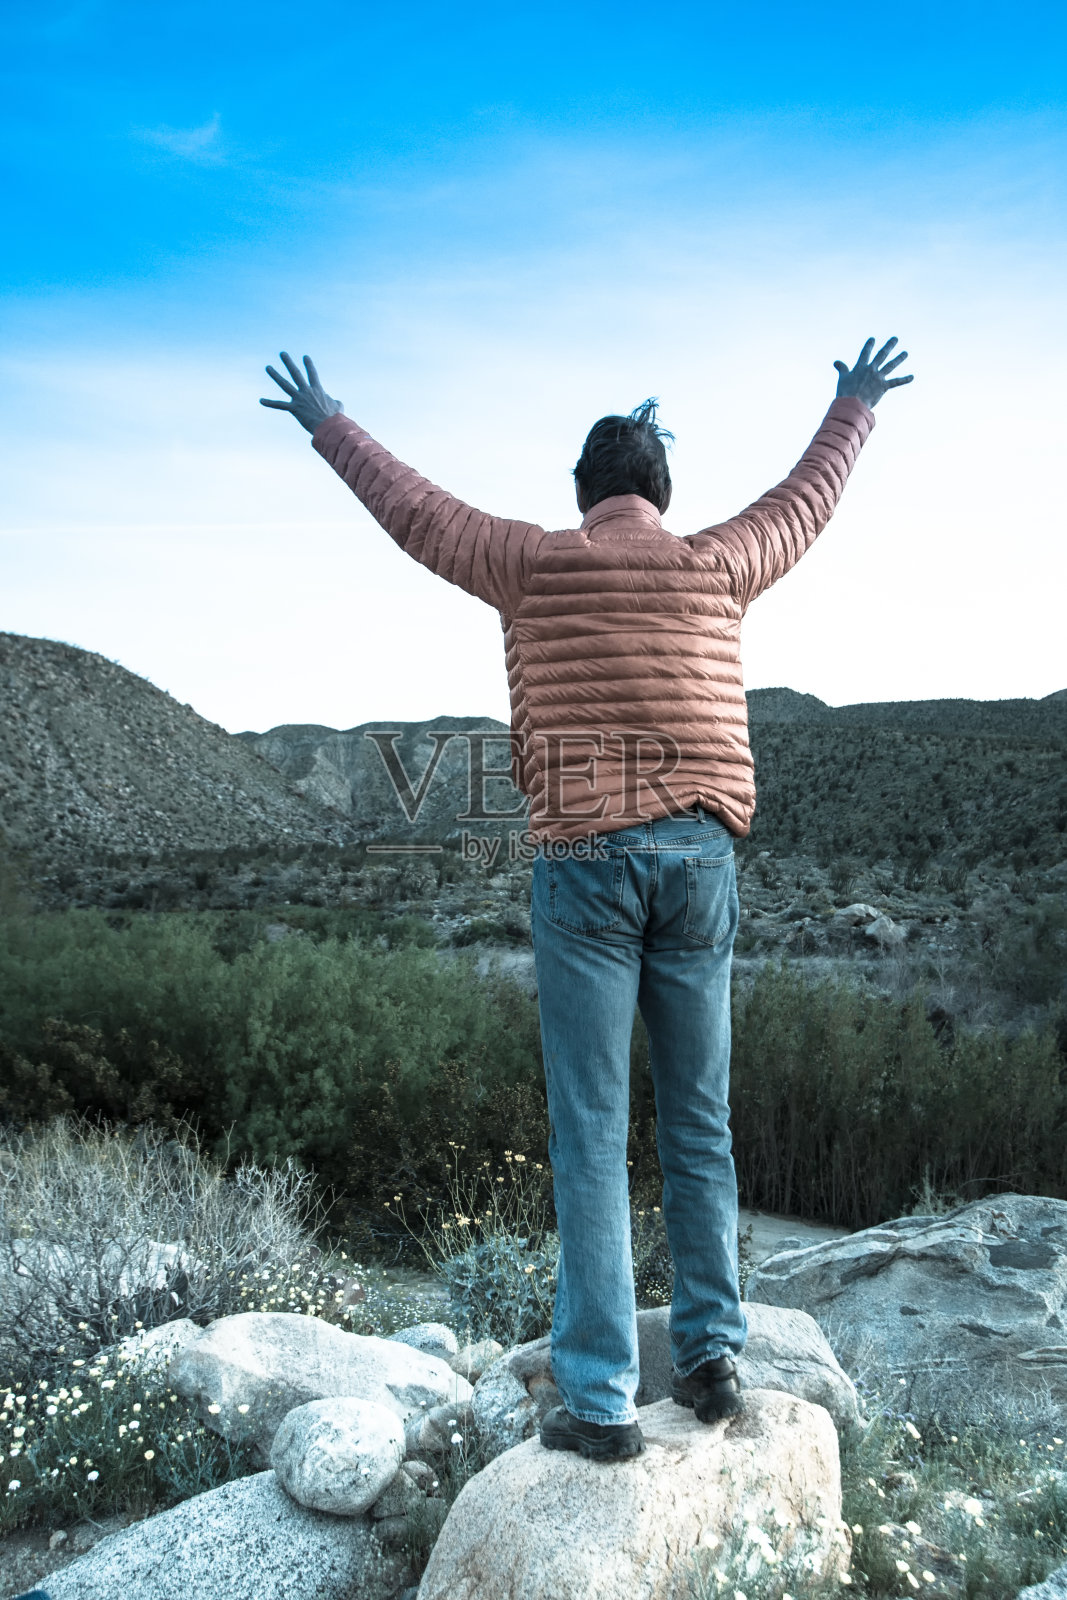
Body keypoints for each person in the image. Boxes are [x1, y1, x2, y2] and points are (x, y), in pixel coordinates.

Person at [261, 336, 913, 1461]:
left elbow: (415, 511)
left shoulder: (529, 562)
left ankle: (600, 1400)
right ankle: (710, 1358)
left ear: (582, 495)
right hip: (699, 860)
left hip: (585, 868)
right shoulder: (716, 560)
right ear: (660, 494)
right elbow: (803, 502)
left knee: (590, 1132)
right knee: (697, 1122)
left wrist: (329, 422)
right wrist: (851, 405)